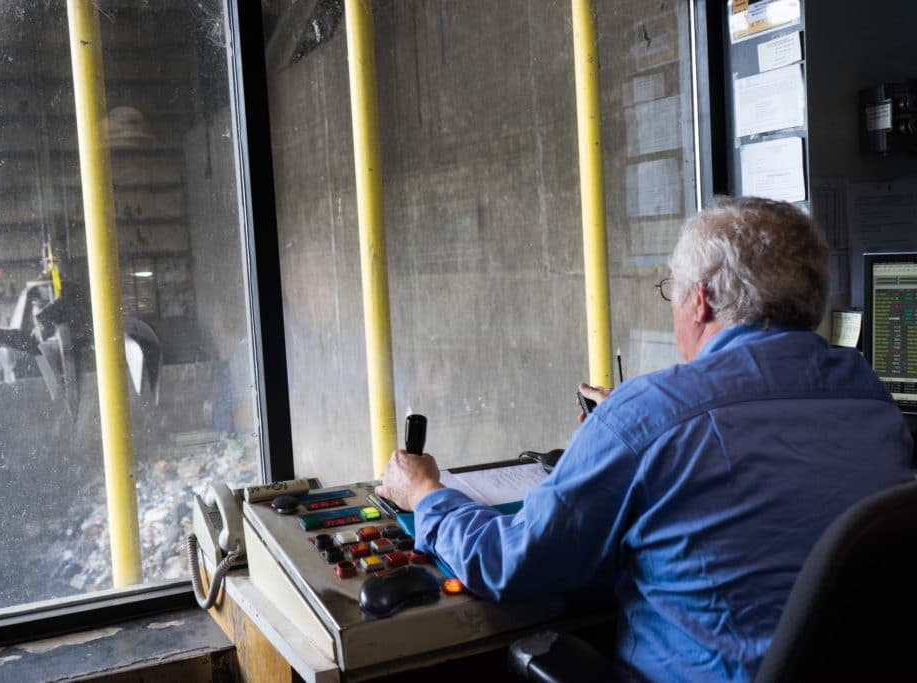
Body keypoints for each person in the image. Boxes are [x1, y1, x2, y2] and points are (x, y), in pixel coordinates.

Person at [376, 196, 914, 682]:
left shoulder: (650, 416)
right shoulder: (868, 398)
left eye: (671, 292)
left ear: (700, 301)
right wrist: (629, 427)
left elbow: (510, 564)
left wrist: (426, 494)